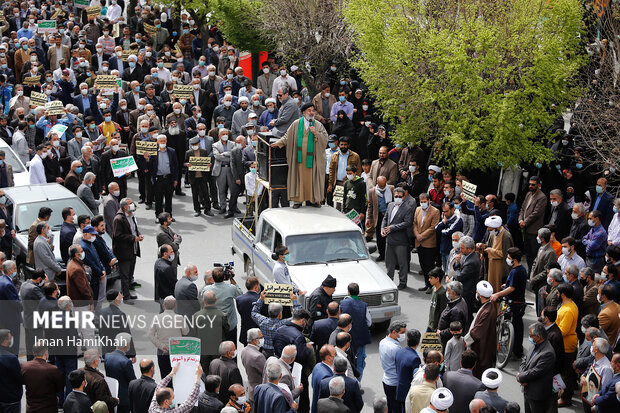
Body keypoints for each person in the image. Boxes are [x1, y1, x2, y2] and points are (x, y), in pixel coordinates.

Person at [271, 102, 329, 207]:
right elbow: (287, 137)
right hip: (299, 159)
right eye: (309, 111)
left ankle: (313, 200)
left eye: (313, 111)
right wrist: (278, 143)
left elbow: (325, 139)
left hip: (313, 159)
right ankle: (298, 201)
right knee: (299, 179)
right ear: (303, 112)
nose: (311, 113)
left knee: (313, 179)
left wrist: (317, 134)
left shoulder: (318, 124)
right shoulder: (296, 124)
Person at [490, 247, 527, 357]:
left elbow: (512, 288)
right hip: (517, 302)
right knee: (517, 327)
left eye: (509, 258)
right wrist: (504, 286)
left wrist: (497, 294)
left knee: (517, 328)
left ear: (514, 260)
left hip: (515, 303)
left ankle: (517, 350)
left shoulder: (516, 271)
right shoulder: (521, 269)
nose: (507, 259)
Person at [517, 322, 556, 413]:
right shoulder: (534, 345)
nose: (530, 338)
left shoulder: (548, 353)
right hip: (527, 389)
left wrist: (520, 377)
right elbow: (524, 361)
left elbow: (536, 371)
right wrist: (522, 375)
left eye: (531, 336)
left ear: (538, 336)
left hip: (537, 394)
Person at [382, 187, 416, 289]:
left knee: (402, 263)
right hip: (389, 240)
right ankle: (389, 280)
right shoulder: (390, 205)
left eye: (399, 196)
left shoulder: (407, 208)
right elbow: (385, 218)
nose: (397, 198)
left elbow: (407, 223)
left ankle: (403, 282)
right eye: (395, 196)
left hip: (401, 240)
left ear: (403, 196)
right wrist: (382, 229)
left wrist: (392, 228)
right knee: (389, 263)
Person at [464, 281, 497, 378]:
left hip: (482, 349)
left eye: (477, 292)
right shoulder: (488, 306)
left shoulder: (487, 311)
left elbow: (477, 332)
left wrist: (465, 341)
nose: (476, 294)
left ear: (480, 295)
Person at [339, 283, 372, 380]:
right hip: (360, 339)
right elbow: (369, 322)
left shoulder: (342, 304)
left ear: (348, 292)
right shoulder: (363, 305)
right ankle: (357, 384)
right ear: (359, 292)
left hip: (346, 338)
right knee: (359, 362)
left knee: (346, 360)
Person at [113, 198, 143, 301]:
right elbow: (118, 235)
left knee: (130, 273)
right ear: (125, 207)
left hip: (133, 249)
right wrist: (133, 238)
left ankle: (126, 292)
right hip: (124, 251)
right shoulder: (119, 219)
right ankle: (126, 297)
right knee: (125, 275)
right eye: (130, 203)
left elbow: (134, 229)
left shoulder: (131, 216)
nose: (133, 205)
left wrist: (138, 235)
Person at [21, 341, 64, 413]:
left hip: (32, 408)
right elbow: (59, 387)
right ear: (46, 353)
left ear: (33, 353)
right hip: (49, 408)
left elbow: (22, 381)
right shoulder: (53, 369)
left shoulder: (25, 367)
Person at [555, 283, 579, 407]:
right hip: (562, 345)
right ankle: (558, 392)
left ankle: (565, 398)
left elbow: (562, 331)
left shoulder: (568, 310)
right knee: (559, 371)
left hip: (566, 346)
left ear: (563, 295)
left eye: (558, 293)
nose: (557, 295)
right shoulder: (568, 305)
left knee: (566, 374)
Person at [145, 135, 179, 219]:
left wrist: (175, 179)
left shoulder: (172, 151)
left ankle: (169, 216)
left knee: (168, 199)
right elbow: (150, 167)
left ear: (166, 141)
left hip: (169, 178)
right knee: (158, 199)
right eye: (161, 141)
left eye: (164, 141)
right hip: (158, 179)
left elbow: (175, 166)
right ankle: (159, 216)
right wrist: (147, 159)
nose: (163, 143)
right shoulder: (153, 152)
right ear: (157, 142)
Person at [518, 176, 547, 270]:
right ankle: (529, 271)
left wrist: (525, 222)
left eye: (533, 184)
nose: (530, 186)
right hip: (525, 229)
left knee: (533, 253)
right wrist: (520, 220)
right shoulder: (528, 194)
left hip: (534, 230)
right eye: (529, 184)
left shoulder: (542, 197)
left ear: (538, 185)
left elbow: (537, 213)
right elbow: (523, 209)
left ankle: (532, 272)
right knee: (527, 253)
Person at [104, 333, 137, 413]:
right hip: (124, 398)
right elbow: (132, 380)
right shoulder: (125, 362)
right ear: (126, 345)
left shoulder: (107, 356)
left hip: (111, 393)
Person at [414, 193, 441, 291]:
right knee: (423, 264)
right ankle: (427, 283)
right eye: (421, 202)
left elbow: (433, 227)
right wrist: (417, 234)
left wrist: (422, 235)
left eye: (424, 202)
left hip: (429, 242)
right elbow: (415, 224)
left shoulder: (435, 211)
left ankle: (432, 285)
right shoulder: (417, 210)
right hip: (419, 242)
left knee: (429, 265)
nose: (423, 204)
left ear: (429, 201)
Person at [380, 321, 407, 413]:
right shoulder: (395, 348)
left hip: (386, 380)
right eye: (402, 333)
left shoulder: (382, 342)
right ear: (394, 332)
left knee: (390, 406)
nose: (404, 335)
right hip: (394, 383)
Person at [451, 235, 481, 320]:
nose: (460, 250)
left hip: (467, 292)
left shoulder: (472, 262)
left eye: (462, 248)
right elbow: (459, 266)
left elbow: (459, 276)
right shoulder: (465, 255)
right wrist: (457, 263)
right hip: (464, 290)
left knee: (466, 315)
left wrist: (456, 270)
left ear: (469, 249)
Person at [185, 135, 214, 216]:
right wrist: (186, 164)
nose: (194, 146)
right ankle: (197, 210)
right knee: (195, 194)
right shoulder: (188, 153)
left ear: (199, 144)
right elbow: (184, 162)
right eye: (193, 145)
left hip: (203, 176)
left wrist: (209, 165)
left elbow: (207, 161)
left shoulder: (204, 152)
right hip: (193, 177)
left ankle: (208, 209)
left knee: (206, 193)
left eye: (196, 145)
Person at [19, 270, 45, 361]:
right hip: (35, 321)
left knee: (29, 344)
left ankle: (30, 361)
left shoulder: (24, 284)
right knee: (37, 344)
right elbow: (44, 300)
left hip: (27, 319)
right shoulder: (34, 289)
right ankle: (37, 362)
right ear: (39, 279)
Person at [484, 215, 513, 293]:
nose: (488, 230)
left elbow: (507, 254)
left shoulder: (506, 236)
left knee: (498, 289)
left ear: (495, 228)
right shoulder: (493, 234)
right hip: (491, 266)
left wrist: (491, 251)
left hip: (500, 268)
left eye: (490, 228)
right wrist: (482, 246)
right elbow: (489, 245)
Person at [367, 176, 394, 259]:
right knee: (380, 236)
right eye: (381, 185)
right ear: (377, 183)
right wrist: (369, 218)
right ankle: (382, 255)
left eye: (384, 185)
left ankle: (391, 256)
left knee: (391, 235)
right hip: (378, 216)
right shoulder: (372, 191)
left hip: (389, 215)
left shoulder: (391, 188)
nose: (382, 187)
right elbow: (370, 205)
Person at [395, 329, 421, 412]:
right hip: (408, 391)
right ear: (418, 342)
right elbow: (416, 377)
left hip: (399, 388)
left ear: (407, 340)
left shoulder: (399, 352)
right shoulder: (415, 358)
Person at [437, 281, 469, 348]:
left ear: (454, 293)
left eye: (448, 290)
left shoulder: (456, 311)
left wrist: (441, 333)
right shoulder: (460, 300)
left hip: (448, 341)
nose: (447, 292)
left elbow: (455, 328)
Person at [0, 260, 22, 356]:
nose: (15, 271)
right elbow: (16, 303)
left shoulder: (2, 280)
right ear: (9, 271)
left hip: (4, 318)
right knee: (13, 345)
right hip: (11, 320)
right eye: (14, 269)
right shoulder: (8, 284)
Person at [240, 328, 266, 401]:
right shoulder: (258, 356)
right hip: (259, 390)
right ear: (255, 340)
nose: (263, 339)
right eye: (261, 337)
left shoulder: (244, 350)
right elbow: (267, 373)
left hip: (251, 387)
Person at [0, 329, 22, 413]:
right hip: (10, 399)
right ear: (5, 341)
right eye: (10, 338)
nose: (11, 339)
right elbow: (19, 377)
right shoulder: (11, 358)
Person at [235, 277, 261, 348]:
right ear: (256, 287)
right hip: (258, 334)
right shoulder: (260, 300)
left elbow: (241, 312)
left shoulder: (239, 299)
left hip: (246, 332)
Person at [311, 345, 336, 413]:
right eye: (335, 354)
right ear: (328, 358)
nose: (336, 357)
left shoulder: (317, 366)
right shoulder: (326, 377)